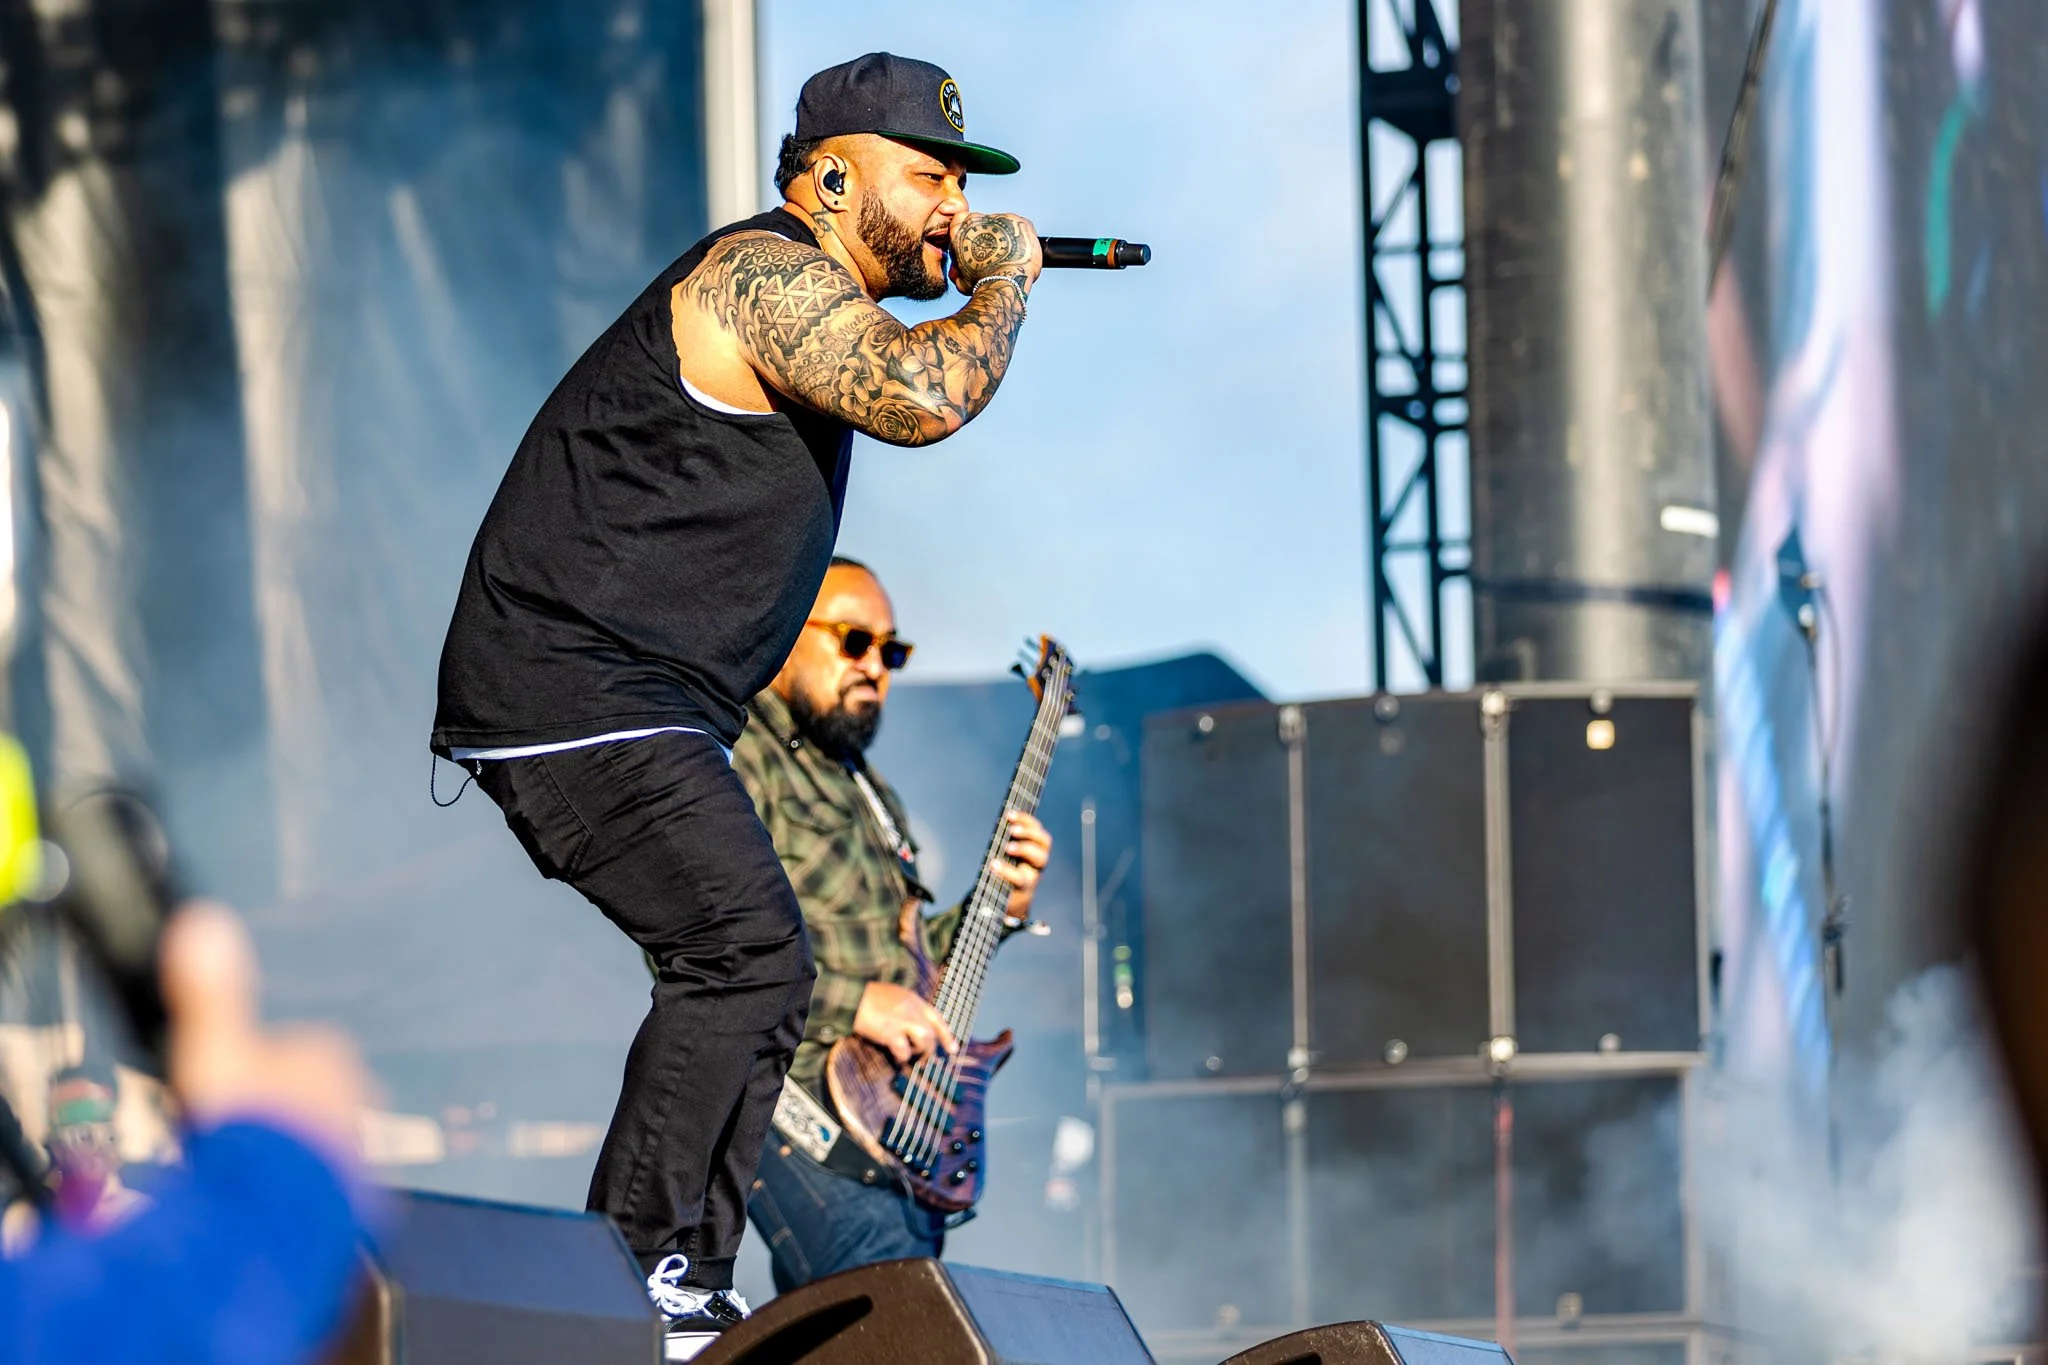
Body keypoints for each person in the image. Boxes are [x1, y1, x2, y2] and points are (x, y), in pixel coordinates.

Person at [428, 50, 1041, 1354]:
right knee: (750, 949)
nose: (953, 203)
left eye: (962, 181)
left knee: (756, 961)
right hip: (575, 678)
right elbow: (922, 392)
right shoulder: (760, 273)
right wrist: (1006, 279)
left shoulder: (812, 296)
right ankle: (637, 1277)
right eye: (927, 174)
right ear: (832, 180)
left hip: (636, 696)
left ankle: (683, 1281)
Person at [732, 557, 1051, 1291]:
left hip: (897, 1128)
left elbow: (911, 965)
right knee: (893, 1316)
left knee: (870, 1329)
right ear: (785, 631)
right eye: (854, 641)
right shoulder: (742, 755)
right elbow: (697, 940)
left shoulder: (871, 791)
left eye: (892, 651)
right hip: (799, 1109)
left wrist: (998, 907)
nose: (875, 666)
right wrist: (853, 1003)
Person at [0, 903, 372, 1364]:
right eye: (73, 1132)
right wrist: (287, 1154)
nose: (86, 1146)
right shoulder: (23, 1231)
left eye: (97, 1132)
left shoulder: (148, 1213)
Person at [1, 1063, 153, 1256]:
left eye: (104, 1131)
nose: (95, 1146)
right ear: (54, 1143)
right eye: (81, 1134)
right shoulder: (25, 1222)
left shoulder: (139, 1215)